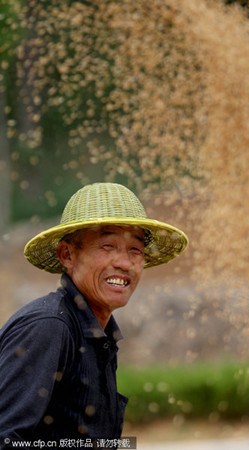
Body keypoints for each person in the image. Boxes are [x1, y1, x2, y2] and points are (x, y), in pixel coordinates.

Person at [0, 182, 188, 449]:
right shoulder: (50, 327)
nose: (124, 262)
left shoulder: (100, 333)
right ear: (67, 254)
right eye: (108, 246)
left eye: (135, 250)